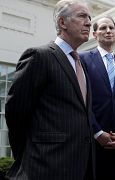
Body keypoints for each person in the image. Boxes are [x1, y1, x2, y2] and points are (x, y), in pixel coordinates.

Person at [5, 0, 94, 179]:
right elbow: (16, 113)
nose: (89, 22)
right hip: (44, 167)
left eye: (90, 17)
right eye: (82, 16)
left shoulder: (81, 64)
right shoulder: (39, 56)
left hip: (79, 168)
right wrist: (30, 156)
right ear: (62, 22)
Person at [80, 16, 115, 180]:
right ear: (94, 34)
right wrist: (97, 132)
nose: (108, 31)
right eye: (103, 28)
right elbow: (81, 98)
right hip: (91, 141)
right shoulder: (83, 59)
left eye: (111, 28)